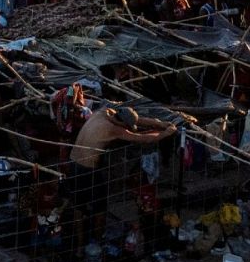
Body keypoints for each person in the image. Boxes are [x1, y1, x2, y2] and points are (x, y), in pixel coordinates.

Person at [65, 105, 176, 248]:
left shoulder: (102, 113)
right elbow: (143, 138)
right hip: (88, 170)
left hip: (73, 163)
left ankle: (79, 247)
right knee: (100, 209)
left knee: (78, 207)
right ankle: (98, 244)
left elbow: (139, 119)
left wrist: (159, 123)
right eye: (127, 126)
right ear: (123, 123)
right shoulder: (115, 129)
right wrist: (166, 133)